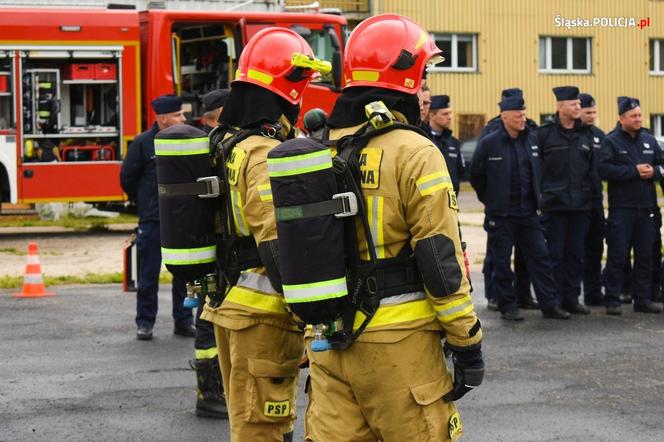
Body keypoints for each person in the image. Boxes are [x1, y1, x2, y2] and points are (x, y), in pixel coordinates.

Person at [305, 15, 484, 441]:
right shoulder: (415, 151)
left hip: (329, 342)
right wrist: (467, 342)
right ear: (404, 77)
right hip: (399, 348)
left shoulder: (316, 147)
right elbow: (440, 261)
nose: (426, 91)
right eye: (423, 79)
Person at [200, 28, 324, 440]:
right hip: (263, 314)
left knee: (249, 422)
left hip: (231, 302)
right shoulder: (262, 152)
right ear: (287, 89)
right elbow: (278, 241)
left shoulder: (229, 142)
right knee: (263, 428)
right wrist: (309, 316)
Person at [470, 93, 570, 321]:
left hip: (528, 213)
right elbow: (476, 176)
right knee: (502, 262)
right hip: (501, 215)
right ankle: (507, 306)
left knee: (540, 258)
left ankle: (549, 304)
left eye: (524, 114)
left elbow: (540, 170)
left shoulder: (532, 139)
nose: (523, 119)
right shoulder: (490, 143)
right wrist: (491, 199)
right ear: (505, 117)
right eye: (518, 115)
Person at [120, 94, 194, 340]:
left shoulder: (187, 140)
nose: (183, 118)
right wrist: (147, 202)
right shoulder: (142, 143)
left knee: (183, 273)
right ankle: (145, 323)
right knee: (148, 274)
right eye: (177, 115)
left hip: (182, 219)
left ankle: (183, 321)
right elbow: (128, 178)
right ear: (162, 119)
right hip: (153, 220)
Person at [598, 96, 663, 315]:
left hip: (646, 209)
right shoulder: (612, 141)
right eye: (633, 116)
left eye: (639, 115)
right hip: (622, 209)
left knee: (645, 255)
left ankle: (642, 299)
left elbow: (661, 164)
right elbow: (604, 170)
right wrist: (633, 171)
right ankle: (613, 299)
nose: (638, 119)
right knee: (618, 255)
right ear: (622, 118)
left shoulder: (649, 139)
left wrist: (655, 172)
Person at [479, 88, 537, 312]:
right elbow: (479, 172)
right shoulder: (493, 130)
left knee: (525, 257)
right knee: (497, 258)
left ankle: (524, 295)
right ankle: (495, 296)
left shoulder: (529, 128)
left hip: (525, 209)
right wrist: (491, 198)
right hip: (500, 209)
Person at [537, 86, 594, 315]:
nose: (578, 107)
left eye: (579, 104)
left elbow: (591, 170)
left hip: (580, 206)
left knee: (576, 255)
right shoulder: (545, 134)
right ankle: (555, 301)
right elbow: (537, 169)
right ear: (560, 107)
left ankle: (572, 298)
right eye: (573, 104)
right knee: (554, 255)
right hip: (554, 206)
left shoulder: (585, 135)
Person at [578, 92, 606, 306]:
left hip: (596, 198)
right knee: (575, 250)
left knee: (596, 247)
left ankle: (593, 292)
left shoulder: (599, 135)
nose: (592, 116)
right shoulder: (572, 134)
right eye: (588, 112)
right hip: (577, 201)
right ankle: (569, 294)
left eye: (594, 112)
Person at [427, 95, 464, 195]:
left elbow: (460, 171)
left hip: (451, 201)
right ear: (432, 116)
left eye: (450, 113)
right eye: (445, 114)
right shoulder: (425, 140)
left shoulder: (454, 142)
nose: (450, 117)